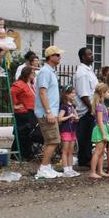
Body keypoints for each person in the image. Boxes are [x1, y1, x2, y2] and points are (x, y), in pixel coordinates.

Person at [33, 46, 64, 179]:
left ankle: (47, 167)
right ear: (51, 57)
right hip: (47, 113)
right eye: (57, 55)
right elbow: (42, 92)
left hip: (50, 112)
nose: (60, 57)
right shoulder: (45, 72)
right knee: (54, 140)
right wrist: (49, 112)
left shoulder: (50, 72)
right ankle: (43, 168)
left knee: (49, 140)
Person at [74, 47, 98, 167]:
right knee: (85, 135)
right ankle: (84, 159)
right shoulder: (82, 73)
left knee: (89, 135)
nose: (92, 55)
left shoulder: (89, 70)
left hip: (91, 107)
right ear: (83, 57)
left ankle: (87, 156)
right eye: (89, 54)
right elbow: (83, 94)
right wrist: (91, 108)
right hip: (85, 110)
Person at [11, 65, 36, 161]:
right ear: (27, 74)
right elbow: (12, 93)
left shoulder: (30, 85)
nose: (34, 74)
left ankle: (26, 152)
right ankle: (16, 152)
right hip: (22, 111)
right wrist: (15, 105)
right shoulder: (19, 84)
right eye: (32, 73)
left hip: (29, 111)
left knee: (28, 133)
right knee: (22, 133)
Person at [89, 83, 109, 179]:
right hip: (101, 128)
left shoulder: (102, 105)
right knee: (98, 152)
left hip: (105, 127)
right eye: (107, 92)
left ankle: (100, 170)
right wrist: (103, 134)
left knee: (102, 152)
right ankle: (93, 171)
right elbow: (99, 121)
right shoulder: (100, 106)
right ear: (102, 93)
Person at [58, 85, 80, 177]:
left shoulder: (72, 106)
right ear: (66, 94)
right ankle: (65, 169)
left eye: (74, 93)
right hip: (66, 129)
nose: (73, 95)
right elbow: (60, 118)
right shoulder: (64, 106)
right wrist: (70, 116)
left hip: (72, 130)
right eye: (72, 93)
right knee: (65, 150)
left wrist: (76, 118)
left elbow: (76, 116)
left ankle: (70, 168)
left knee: (71, 150)